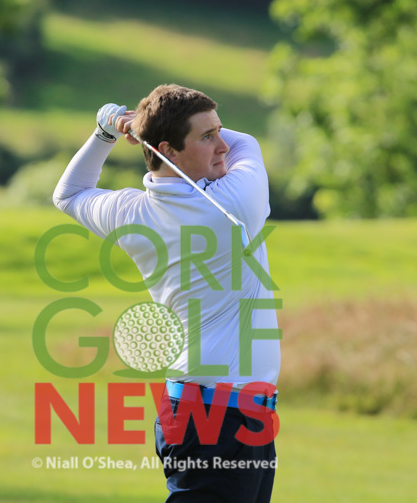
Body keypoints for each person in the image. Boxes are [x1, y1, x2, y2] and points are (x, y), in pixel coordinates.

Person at [53, 84, 280, 503]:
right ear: (168, 151)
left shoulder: (132, 212)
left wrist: (107, 130)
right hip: (218, 418)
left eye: (219, 132)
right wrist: (134, 126)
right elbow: (247, 142)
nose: (222, 146)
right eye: (207, 136)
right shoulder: (234, 203)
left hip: (219, 413)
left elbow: (69, 193)